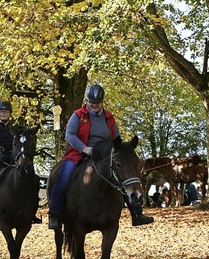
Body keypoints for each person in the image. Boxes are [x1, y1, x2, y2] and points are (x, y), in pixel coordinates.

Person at [47, 84, 153, 229]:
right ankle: (54, 214)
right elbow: (70, 135)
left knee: (124, 175)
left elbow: (116, 138)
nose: (94, 105)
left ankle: (137, 213)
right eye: (91, 102)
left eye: (97, 103)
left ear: (102, 102)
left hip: (105, 155)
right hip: (79, 153)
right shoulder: (78, 115)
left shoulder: (109, 118)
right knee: (63, 175)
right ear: (87, 100)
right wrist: (84, 148)